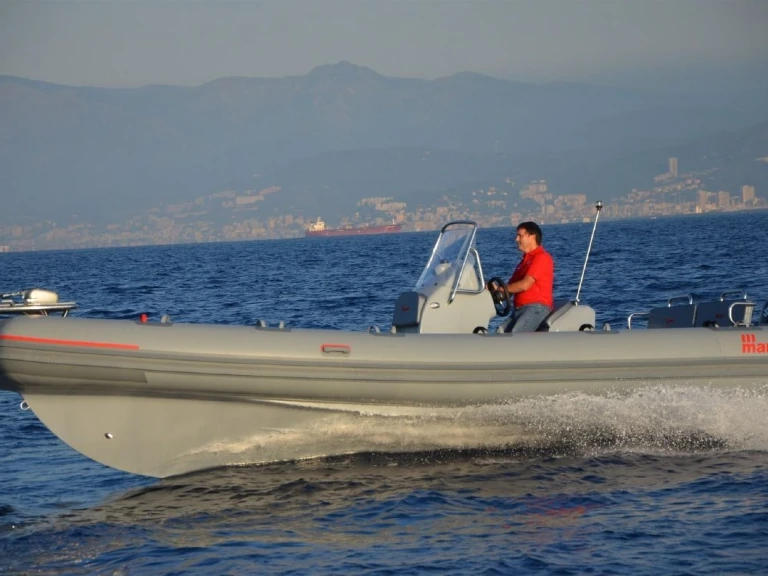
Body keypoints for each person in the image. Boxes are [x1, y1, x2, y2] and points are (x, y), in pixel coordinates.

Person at [496, 221, 554, 333]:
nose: (516, 239)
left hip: (536, 308)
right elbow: (510, 289)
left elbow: (525, 285)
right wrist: (494, 290)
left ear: (532, 237)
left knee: (517, 336)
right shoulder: (524, 262)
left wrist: (502, 289)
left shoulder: (542, 258)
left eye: (520, 236)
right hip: (519, 310)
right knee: (500, 332)